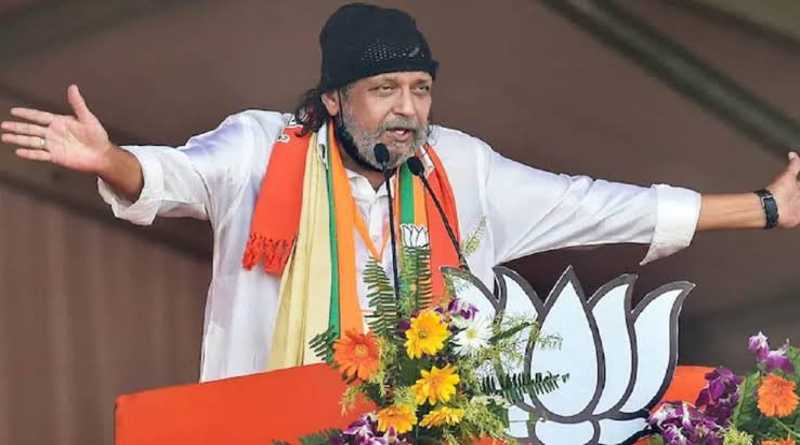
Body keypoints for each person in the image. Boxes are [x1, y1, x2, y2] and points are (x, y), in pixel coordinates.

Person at [2, 3, 799, 383]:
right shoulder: (259, 150)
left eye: (420, 88)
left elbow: (597, 204)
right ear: (335, 98)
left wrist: (764, 208)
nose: (409, 109)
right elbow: (167, 179)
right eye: (385, 89)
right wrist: (111, 161)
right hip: (263, 428)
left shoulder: (461, 169)